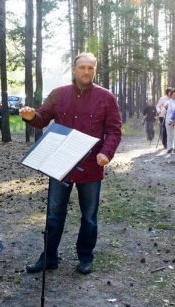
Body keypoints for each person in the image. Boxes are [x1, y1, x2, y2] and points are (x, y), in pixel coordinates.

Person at [19, 52, 122, 275]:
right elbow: (42, 117)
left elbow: (114, 130)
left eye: (91, 68)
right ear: (74, 69)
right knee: (54, 214)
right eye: (82, 67)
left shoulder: (106, 98)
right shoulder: (58, 94)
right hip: (61, 166)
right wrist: (30, 117)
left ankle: (85, 257)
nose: (86, 71)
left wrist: (107, 153)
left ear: (95, 70)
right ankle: (49, 257)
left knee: (89, 217)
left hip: (92, 167)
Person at [164, 89, 175, 154]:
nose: (174, 96)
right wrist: (165, 108)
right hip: (168, 120)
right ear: (170, 95)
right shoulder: (167, 102)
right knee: (169, 134)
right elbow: (163, 112)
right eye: (173, 94)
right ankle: (169, 147)